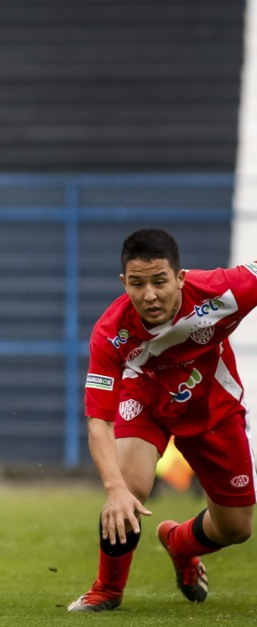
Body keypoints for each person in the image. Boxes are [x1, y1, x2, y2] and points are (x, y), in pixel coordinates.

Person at [68, 228, 255, 612]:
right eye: (137, 284)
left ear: (181, 277)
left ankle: (180, 543)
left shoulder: (225, 292)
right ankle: (106, 589)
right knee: (129, 487)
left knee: (237, 529)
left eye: (159, 281)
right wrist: (114, 488)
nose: (149, 295)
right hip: (146, 401)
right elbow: (98, 422)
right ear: (124, 283)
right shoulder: (111, 332)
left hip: (212, 407)